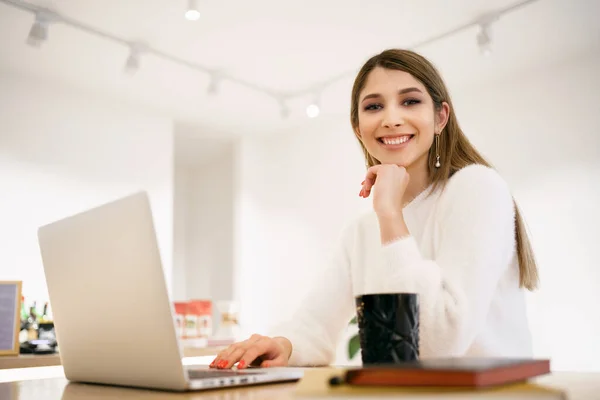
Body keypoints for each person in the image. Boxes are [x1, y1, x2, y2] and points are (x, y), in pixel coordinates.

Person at [210, 48, 539, 370]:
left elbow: (442, 340)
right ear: (358, 128)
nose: (391, 119)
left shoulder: (477, 187)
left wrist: (390, 215)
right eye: (374, 106)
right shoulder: (362, 232)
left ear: (440, 117)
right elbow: (315, 326)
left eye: (410, 101)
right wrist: (282, 344)